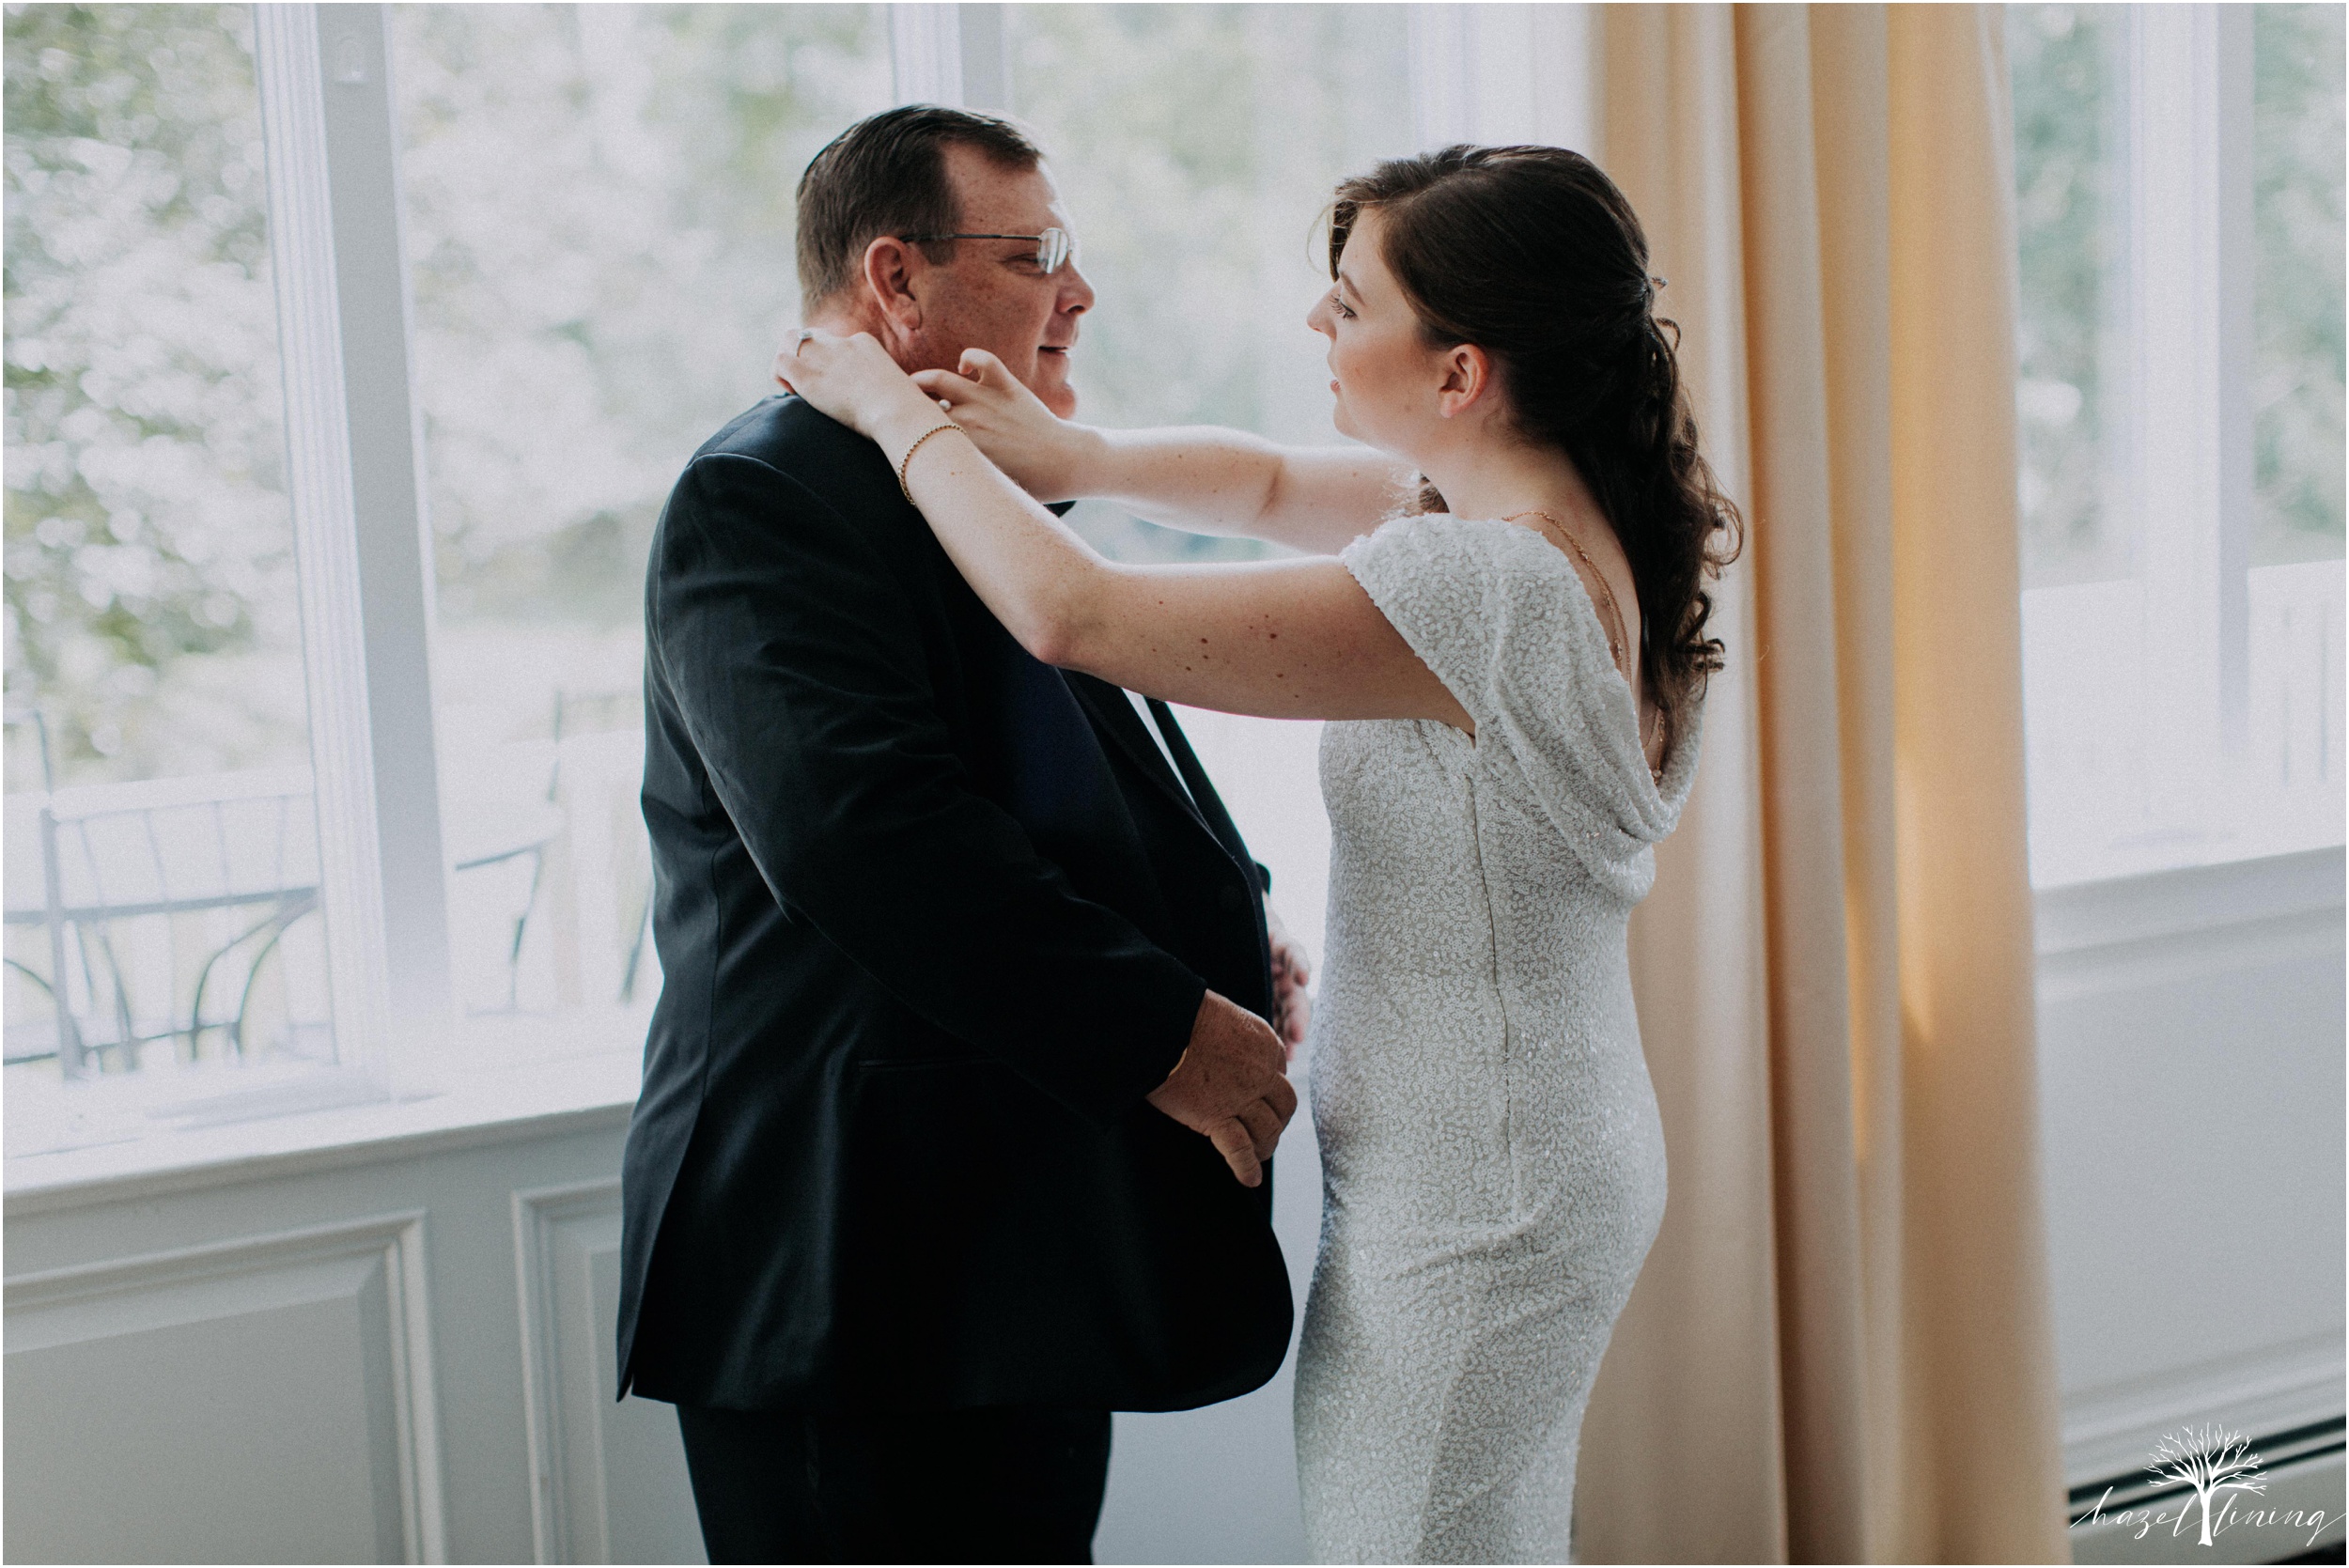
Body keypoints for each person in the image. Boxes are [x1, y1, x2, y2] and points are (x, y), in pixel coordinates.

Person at [776, 142, 1742, 1563]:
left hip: (1476, 1202)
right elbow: (1274, 480)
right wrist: (1077, 454)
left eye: (1349, 305)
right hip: (1538, 1156)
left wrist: (886, 406)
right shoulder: (1572, 531)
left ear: (1461, 371)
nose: (1317, 328)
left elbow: (1075, 615)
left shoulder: (1469, 584)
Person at [616, 104, 1315, 1566]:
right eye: (1035, 251)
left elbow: (1071, 783)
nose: (1079, 290)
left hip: (1013, 1241)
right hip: (847, 1265)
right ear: (896, 280)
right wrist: (1164, 1029)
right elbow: (865, 838)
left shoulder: (960, 481)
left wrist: (1226, 931)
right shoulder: (763, 494)